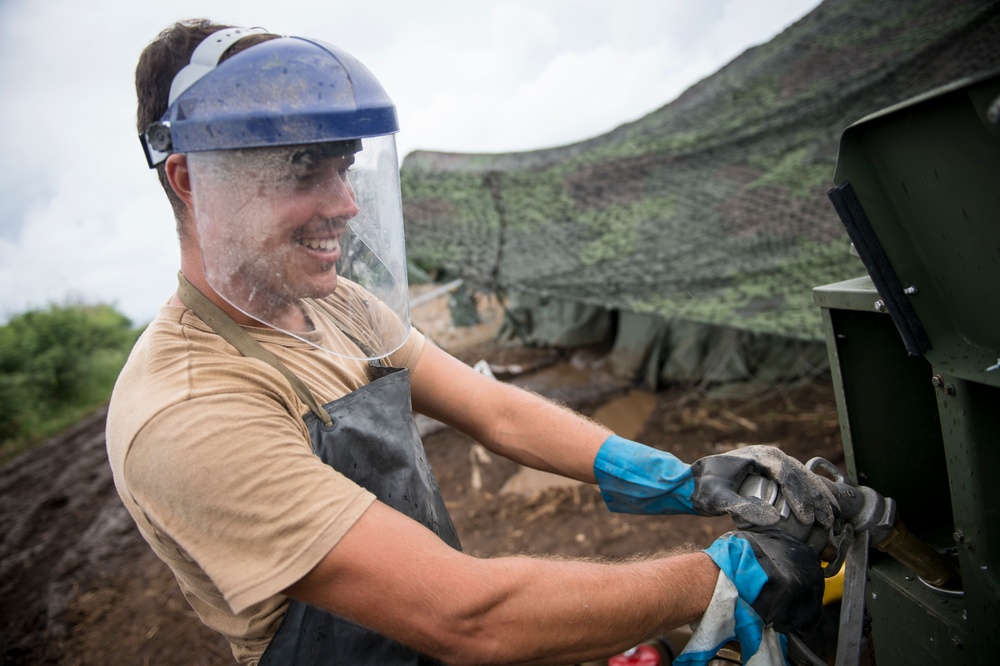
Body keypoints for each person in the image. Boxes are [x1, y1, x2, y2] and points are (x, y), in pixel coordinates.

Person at [106, 19, 835, 666]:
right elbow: (466, 615)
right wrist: (718, 575)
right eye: (302, 168)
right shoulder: (190, 408)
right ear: (192, 180)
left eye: (343, 164)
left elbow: (497, 412)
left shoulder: (337, 308)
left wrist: (685, 481)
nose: (346, 204)